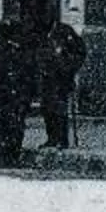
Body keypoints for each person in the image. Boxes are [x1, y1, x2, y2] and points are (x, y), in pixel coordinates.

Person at [0, 26, 34, 167]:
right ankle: (4, 154)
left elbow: (30, 75)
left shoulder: (21, 54)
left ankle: (9, 153)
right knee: (8, 124)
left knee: (13, 124)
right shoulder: (3, 53)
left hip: (17, 96)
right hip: (8, 96)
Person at [40, 18, 86, 149]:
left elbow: (80, 52)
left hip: (61, 78)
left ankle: (62, 139)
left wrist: (69, 67)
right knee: (46, 108)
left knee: (60, 109)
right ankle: (51, 138)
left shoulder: (65, 31)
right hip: (46, 78)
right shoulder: (39, 34)